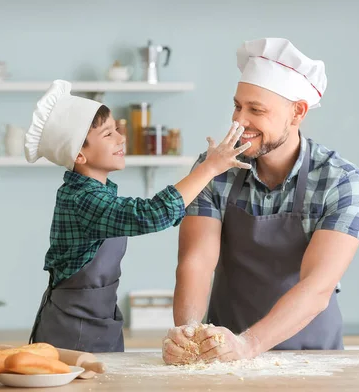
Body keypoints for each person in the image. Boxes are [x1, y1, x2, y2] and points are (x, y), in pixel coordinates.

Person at [162, 38, 359, 364]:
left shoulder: (340, 181)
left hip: (313, 360)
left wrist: (248, 344)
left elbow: (317, 287)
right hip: (222, 357)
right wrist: (188, 332)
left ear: (297, 112)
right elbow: (196, 260)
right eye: (237, 105)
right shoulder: (215, 168)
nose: (239, 121)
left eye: (256, 109)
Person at [24, 79, 251, 353]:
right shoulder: (82, 199)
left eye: (117, 129)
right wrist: (208, 169)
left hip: (98, 323)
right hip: (72, 332)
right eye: (108, 134)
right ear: (79, 155)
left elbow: (155, 212)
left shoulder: (98, 193)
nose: (121, 138)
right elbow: (152, 214)